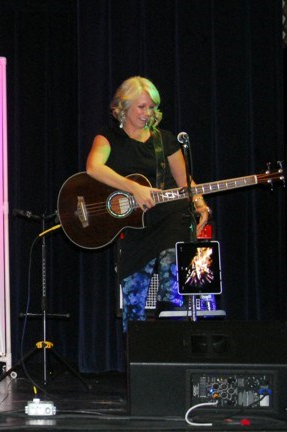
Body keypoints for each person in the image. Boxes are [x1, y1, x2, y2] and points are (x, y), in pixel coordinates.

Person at [85, 76, 210, 332]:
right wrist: (134, 188)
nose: (147, 113)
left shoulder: (164, 139)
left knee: (172, 280)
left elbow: (185, 181)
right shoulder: (108, 138)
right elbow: (93, 168)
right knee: (133, 300)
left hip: (169, 217)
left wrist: (200, 204)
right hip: (134, 225)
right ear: (123, 107)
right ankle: (138, 360)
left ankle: (170, 342)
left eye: (151, 107)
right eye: (141, 107)